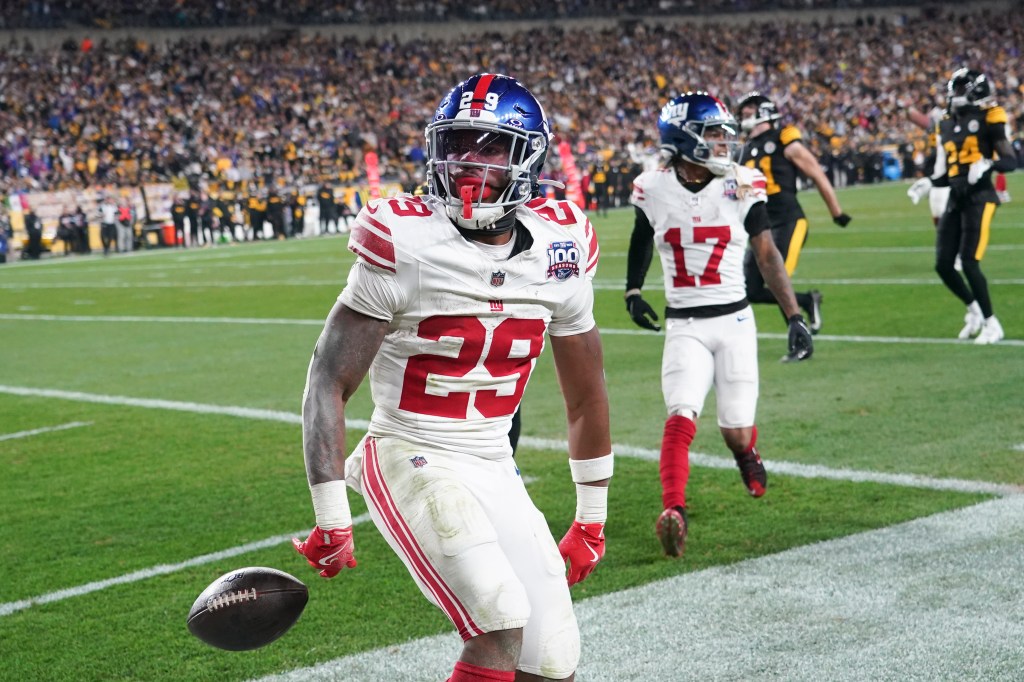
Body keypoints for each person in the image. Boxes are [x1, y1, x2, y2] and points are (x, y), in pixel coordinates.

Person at [293, 73, 612, 682]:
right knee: (498, 620)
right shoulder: (407, 239)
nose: (469, 161)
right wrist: (331, 512)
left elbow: (586, 394)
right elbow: (327, 379)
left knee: (554, 659)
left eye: (490, 146)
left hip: (493, 461)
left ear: (527, 157)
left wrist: (591, 516)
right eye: (459, 143)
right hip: (409, 449)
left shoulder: (561, 246)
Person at [624, 91, 813, 559]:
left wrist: (793, 314)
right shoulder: (652, 187)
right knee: (680, 414)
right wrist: (632, 290)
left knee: (735, 428)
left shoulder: (743, 183)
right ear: (685, 138)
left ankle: (745, 454)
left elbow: (766, 252)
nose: (724, 143)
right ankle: (674, 512)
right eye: (713, 133)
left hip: (735, 321)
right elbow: (641, 238)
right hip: (684, 322)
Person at [735, 92, 852, 335]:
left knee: (778, 279)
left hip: (788, 220)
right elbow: (741, 195)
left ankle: (799, 338)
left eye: (749, 110)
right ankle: (808, 301)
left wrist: (836, 211)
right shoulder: (743, 151)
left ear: (763, 112)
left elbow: (816, 173)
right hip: (760, 225)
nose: (744, 115)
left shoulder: (784, 139)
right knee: (751, 290)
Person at [931, 68, 1017, 344]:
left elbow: (1010, 161)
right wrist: (929, 182)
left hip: (980, 198)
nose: (953, 97)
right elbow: (951, 173)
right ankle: (974, 310)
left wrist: (988, 164)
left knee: (969, 262)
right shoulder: (945, 123)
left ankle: (993, 325)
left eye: (958, 91)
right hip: (956, 198)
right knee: (943, 265)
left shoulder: (989, 118)